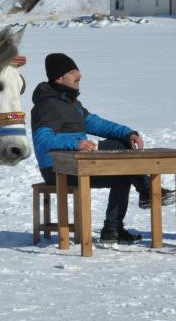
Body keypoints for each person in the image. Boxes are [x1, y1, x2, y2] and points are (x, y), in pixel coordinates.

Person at [31, 52, 175, 244]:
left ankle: (113, 229)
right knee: (121, 154)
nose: (79, 75)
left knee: (123, 168)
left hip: (78, 162)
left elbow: (96, 123)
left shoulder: (71, 103)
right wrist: (76, 144)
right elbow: (43, 141)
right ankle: (146, 190)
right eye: (73, 71)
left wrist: (127, 133)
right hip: (57, 168)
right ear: (59, 77)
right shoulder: (47, 105)